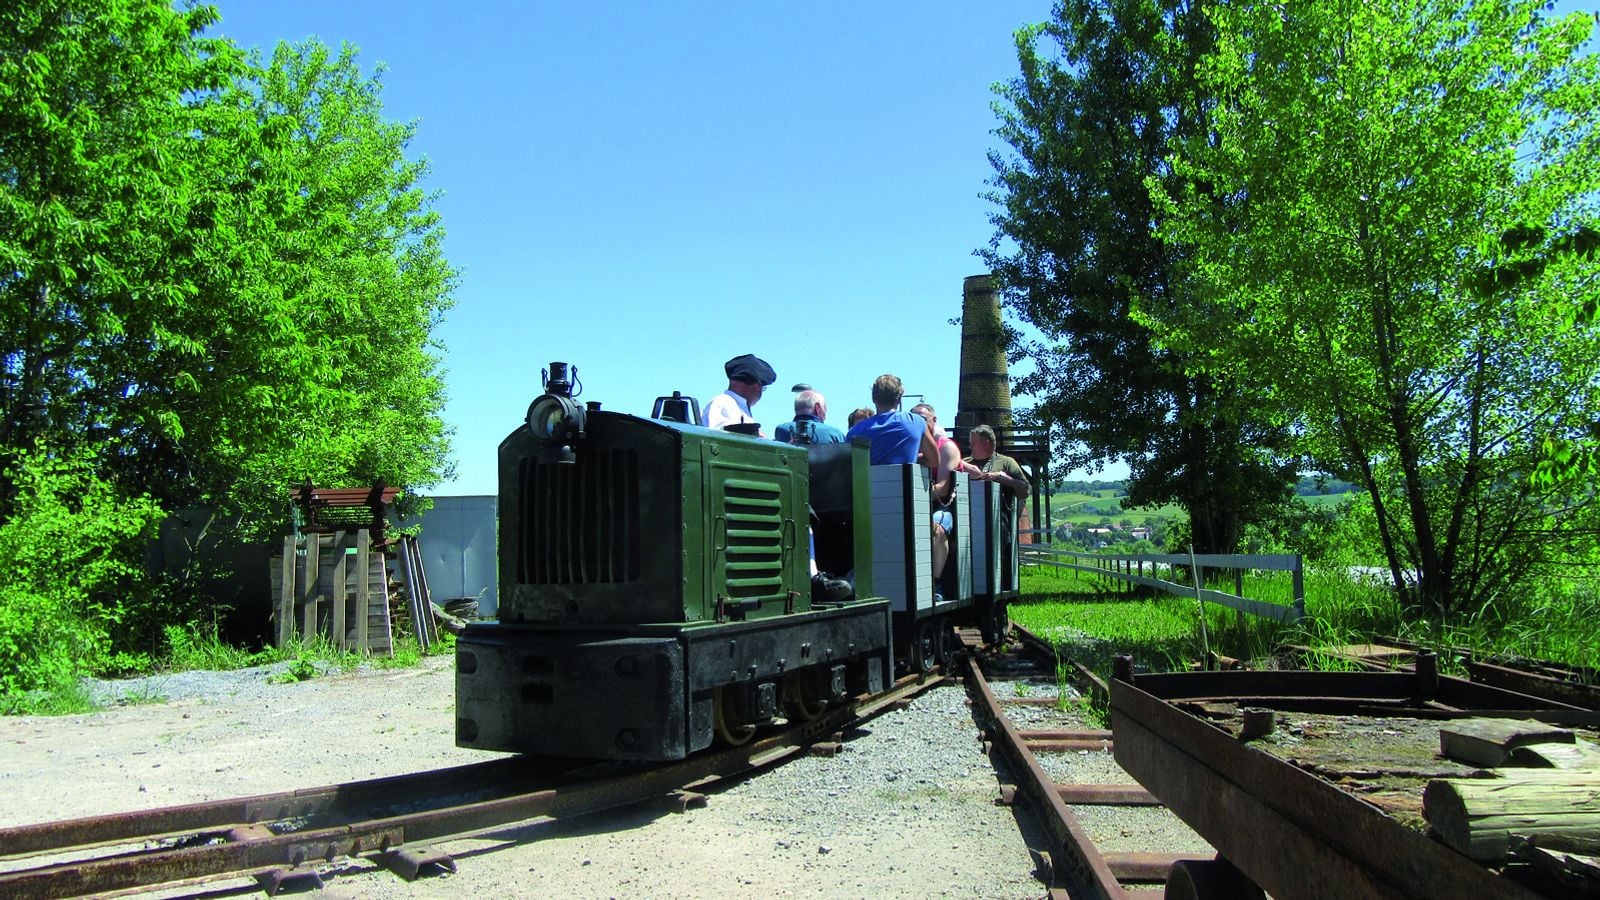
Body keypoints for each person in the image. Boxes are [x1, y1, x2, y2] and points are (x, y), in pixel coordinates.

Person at [845, 375, 951, 588]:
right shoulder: (915, 422)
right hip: (905, 503)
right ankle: (931, 585)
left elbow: (850, 466)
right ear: (899, 398)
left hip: (868, 505)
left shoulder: (855, 431)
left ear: (874, 398)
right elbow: (934, 459)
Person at [702, 354, 774, 434]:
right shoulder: (723, 403)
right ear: (757, 386)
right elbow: (718, 439)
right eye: (762, 388)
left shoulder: (739, 406)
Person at [775, 390, 846, 445]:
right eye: (824, 407)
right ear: (817, 408)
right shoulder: (835, 434)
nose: (826, 412)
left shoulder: (781, 430)